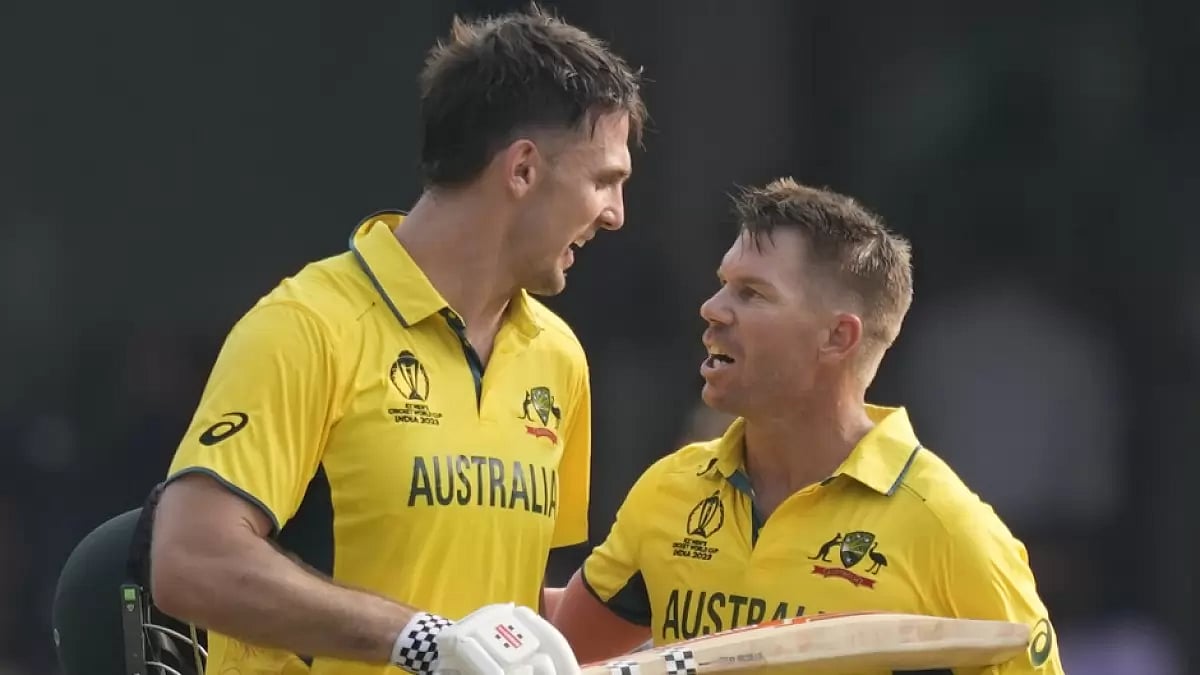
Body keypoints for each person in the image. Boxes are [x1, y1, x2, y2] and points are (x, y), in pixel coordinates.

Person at [54, 5, 645, 675]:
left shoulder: (558, 359)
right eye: (605, 180)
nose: (615, 214)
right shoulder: (308, 327)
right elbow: (190, 560)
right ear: (522, 170)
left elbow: (498, 599)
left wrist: (661, 614)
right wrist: (418, 637)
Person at [549, 178, 1066, 674]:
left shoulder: (950, 532)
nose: (712, 309)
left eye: (752, 293)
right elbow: (554, 656)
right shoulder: (670, 489)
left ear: (838, 337)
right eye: (723, 285)